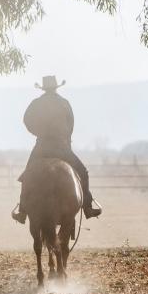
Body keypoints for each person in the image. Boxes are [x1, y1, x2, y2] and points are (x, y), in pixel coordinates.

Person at [11, 75, 102, 223]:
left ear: (44, 88)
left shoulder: (36, 103)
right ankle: (87, 207)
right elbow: (71, 125)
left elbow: (26, 120)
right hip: (61, 147)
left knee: (27, 175)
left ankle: (22, 211)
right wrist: (65, 138)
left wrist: (37, 131)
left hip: (41, 147)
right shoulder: (64, 103)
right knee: (83, 172)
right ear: (55, 87)